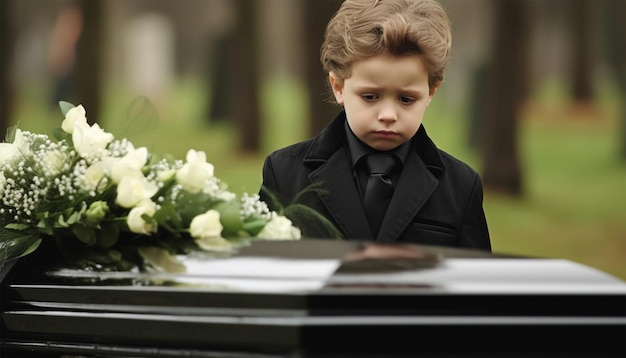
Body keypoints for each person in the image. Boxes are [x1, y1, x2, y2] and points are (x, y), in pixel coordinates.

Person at [259, 0, 491, 251]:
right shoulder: (285, 173)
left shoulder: (461, 187)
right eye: (370, 97)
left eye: (406, 99)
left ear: (431, 91)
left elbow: (475, 283)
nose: (388, 114)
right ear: (339, 87)